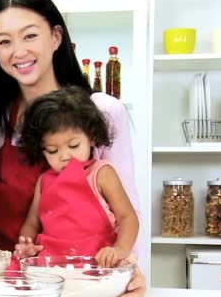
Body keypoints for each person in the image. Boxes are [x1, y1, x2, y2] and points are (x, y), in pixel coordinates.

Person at [0, 0, 145, 297]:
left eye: (30, 35)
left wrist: (131, 271)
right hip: (5, 288)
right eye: (4, 41)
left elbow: (129, 210)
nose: (18, 51)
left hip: (81, 284)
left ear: (56, 37)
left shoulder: (103, 111)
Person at [13, 86, 139, 269]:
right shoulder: (45, 181)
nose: (65, 156)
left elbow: (128, 217)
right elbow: (31, 224)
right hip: (53, 271)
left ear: (92, 137)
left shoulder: (101, 174)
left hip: (97, 269)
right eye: (52, 150)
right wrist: (26, 244)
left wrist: (119, 250)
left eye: (74, 145)